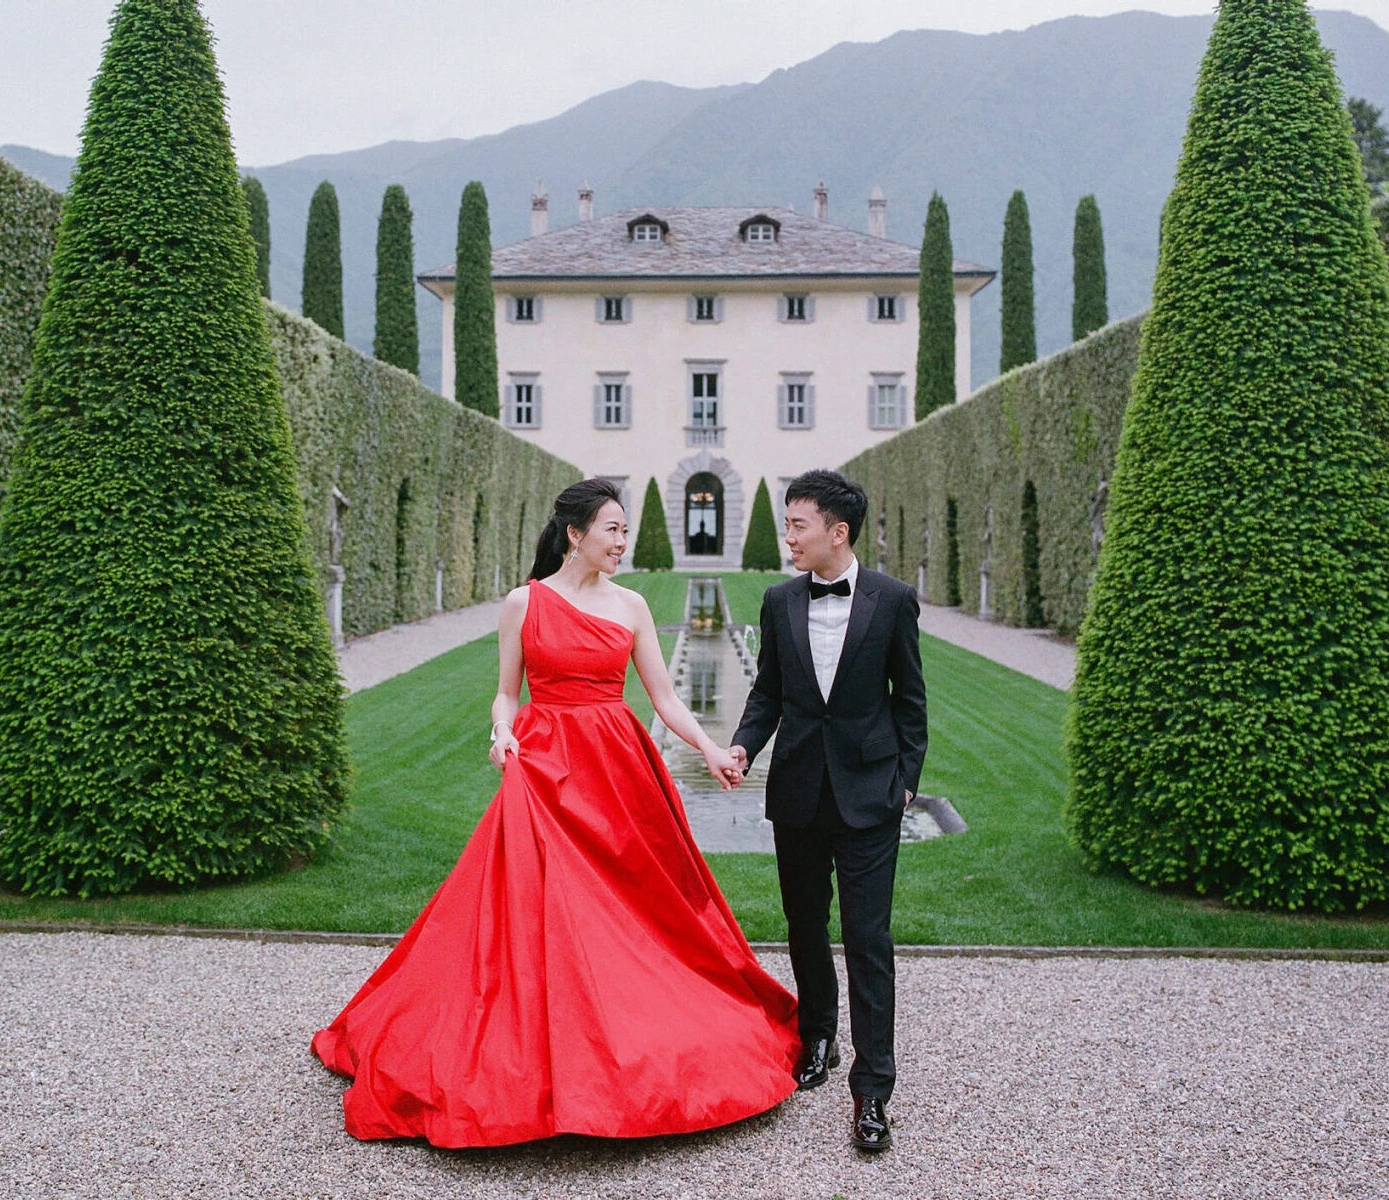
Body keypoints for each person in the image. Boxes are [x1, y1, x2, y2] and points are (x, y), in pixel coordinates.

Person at [311, 477, 800, 1147]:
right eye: (613, 530)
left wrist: (712, 747)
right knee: (543, 903)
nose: (623, 541)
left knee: (633, 901)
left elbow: (662, 698)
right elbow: (505, 693)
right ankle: (547, 1048)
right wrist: (500, 732)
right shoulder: (523, 602)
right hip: (543, 763)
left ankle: (628, 1029)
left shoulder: (630, 606)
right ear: (575, 534)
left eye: (627, 530)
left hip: (615, 765)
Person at [727, 469, 928, 1153]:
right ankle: (818, 1036)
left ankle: (873, 1092)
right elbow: (768, 695)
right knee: (804, 925)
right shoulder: (778, 600)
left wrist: (904, 780)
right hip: (799, 792)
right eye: (785, 523)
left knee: (868, 939)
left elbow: (910, 702)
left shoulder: (893, 601)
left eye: (796, 525)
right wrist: (743, 749)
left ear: (836, 533)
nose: (787, 536)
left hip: (870, 794)